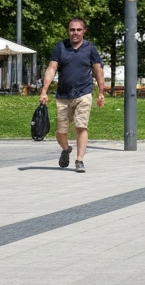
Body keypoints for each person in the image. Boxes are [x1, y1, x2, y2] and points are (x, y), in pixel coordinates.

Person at [39, 18, 107, 174]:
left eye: (78, 30)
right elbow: (51, 68)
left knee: (80, 126)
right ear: (68, 31)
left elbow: (98, 70)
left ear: (84, 31)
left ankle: (79, 160)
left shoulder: (90, 49)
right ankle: (66, 148)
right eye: (72, 30)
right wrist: (44, 90)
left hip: (84, 93)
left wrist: (101, 92)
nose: (75, 33)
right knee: (60, 131)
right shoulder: (60, 47)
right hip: (63, 95)